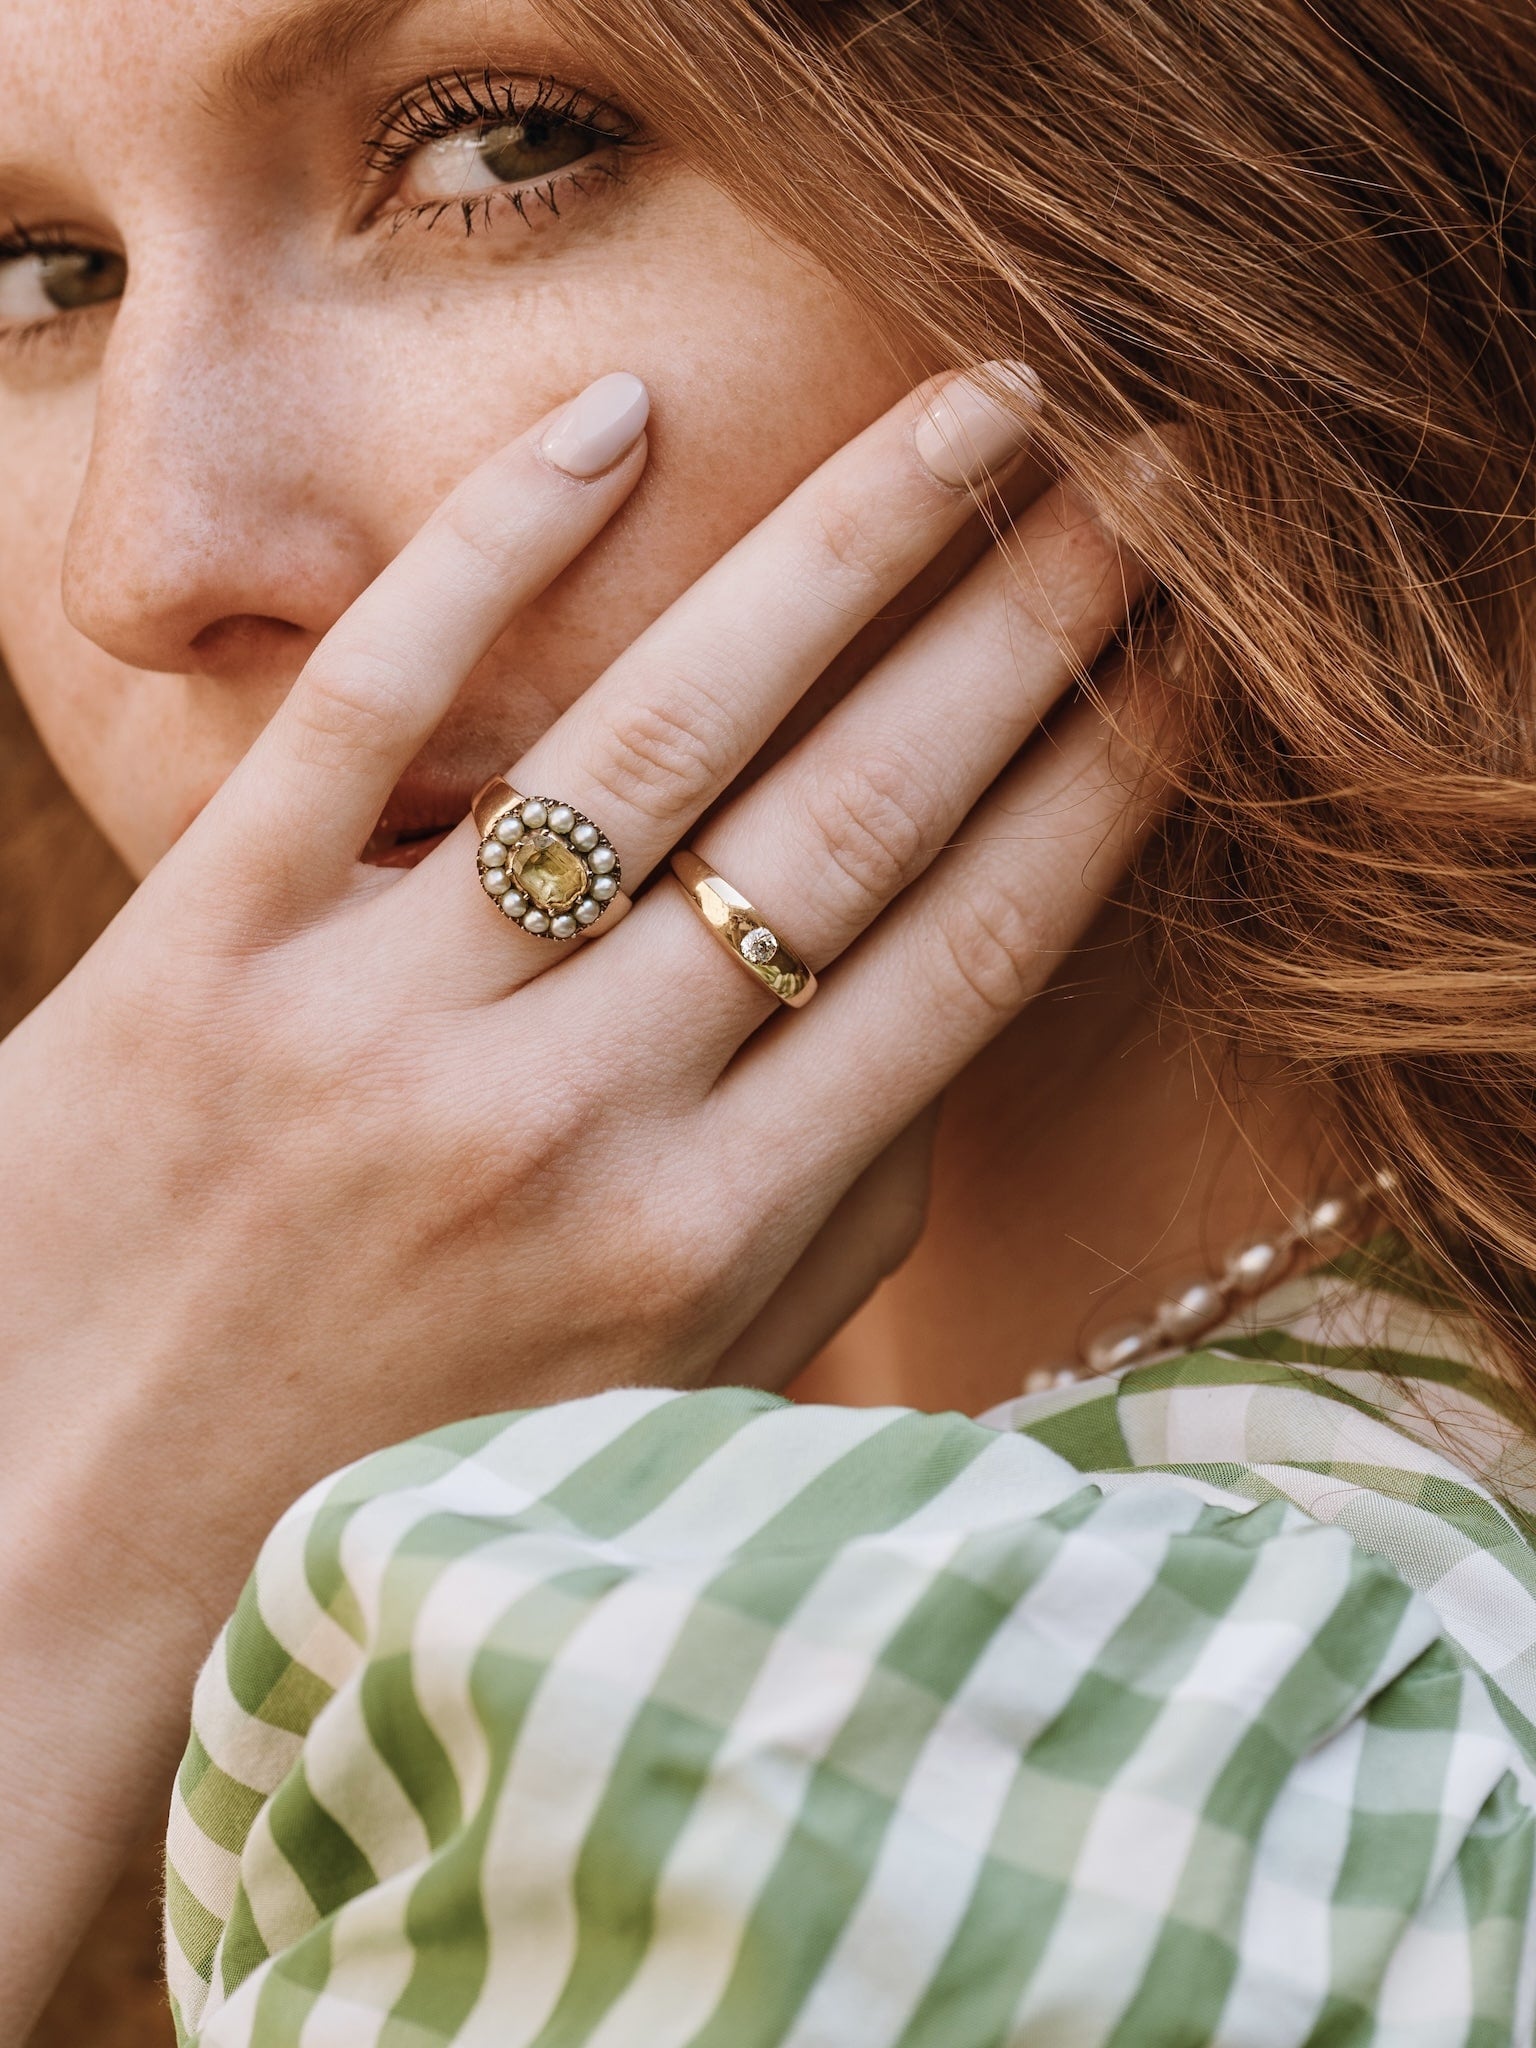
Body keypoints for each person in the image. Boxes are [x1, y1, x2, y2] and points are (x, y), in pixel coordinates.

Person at [1, 0, 1534, 2040]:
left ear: (1203, 181)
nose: (149, 554)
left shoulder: (795, 1707)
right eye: (37, 276)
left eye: (495, 146)